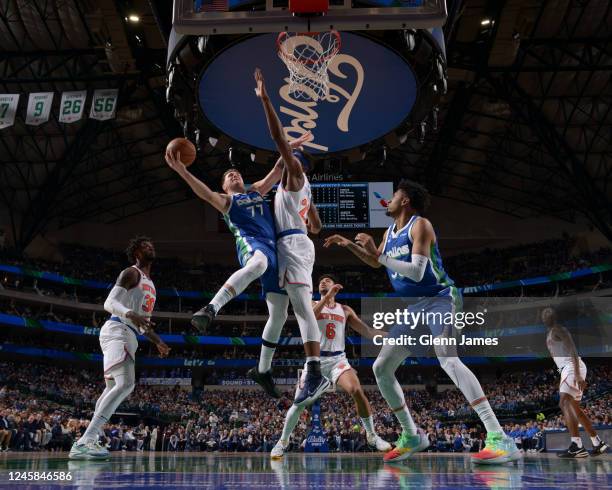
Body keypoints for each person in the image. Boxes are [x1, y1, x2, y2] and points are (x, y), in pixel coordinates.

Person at [324, 180, 521, 464]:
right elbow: (376, 263)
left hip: (441, 298)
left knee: (448, 360)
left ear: (405, 201)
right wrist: (349, 245)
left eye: (393, 197)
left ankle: (499, 436)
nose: (388, 202)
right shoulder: (389, 231)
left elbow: (417, 272)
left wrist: (377, 253)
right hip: (415, 308)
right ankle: (412, 435)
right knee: (381, 367)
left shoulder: (421, 225)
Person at [165, 132, 310, 398]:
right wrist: (183, 172)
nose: (234, 175)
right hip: (252, 245)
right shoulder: (227, 201)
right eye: (229, 175)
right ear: (224, 185)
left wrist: (290, 148)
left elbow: (278, 170)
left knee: (279, 313)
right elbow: (205, 194)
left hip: (276, 251)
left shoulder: (256, 190)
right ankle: (211, 308)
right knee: (259, 263)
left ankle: (263, 370)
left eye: (237, 173)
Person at [255, 67, 330, 407]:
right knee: (279, 311)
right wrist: (303, 214)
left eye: (290, 157)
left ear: (297, 162)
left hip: (293, 245)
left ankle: (313, 368)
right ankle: (263, 369)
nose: (286, 159)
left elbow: (277, 138)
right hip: (298, 242)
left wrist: (266, 99)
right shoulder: (305, 189)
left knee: (302, 309)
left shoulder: (295, 173)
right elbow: (316, 226)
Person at [69, 237, 170, 460]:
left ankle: (90, 439)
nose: (150, 246)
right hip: (118, 329)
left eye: (151, 244)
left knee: (112, 387)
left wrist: (158, 341)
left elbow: (143, 324)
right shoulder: (131, 273)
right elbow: (109, 303)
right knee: (126, 384)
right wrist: (129, 313)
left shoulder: (150, 284)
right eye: (144, 246)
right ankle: (85, 440)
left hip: (128, 334)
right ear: (136, 254)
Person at [271, 275, 392, 458]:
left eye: (327, 280)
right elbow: (312, 316)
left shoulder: (344, 309)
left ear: (335, 284)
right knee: (299, 404)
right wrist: (327, 298)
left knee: (356, 390)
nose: (323, 282)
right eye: (321, 281)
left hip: (338, 360)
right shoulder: (311, 303)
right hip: (315, 362)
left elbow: (367, 331)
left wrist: (391, 336)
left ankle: (372, 435)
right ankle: (283, 441)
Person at [542, 307, 608, 457]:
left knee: (563, 403)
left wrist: (577, 374)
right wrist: (561, 374)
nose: (547, 314)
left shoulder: (559, 329)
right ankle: (597, 442)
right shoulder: (550, 334)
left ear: (555, 316)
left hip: (572, 366)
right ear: (542, 318)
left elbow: (572, 349)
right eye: (544, 313)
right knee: (575, 409)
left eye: (549, 312)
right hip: (566, 368)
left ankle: (577, 445)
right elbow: (559, 358)